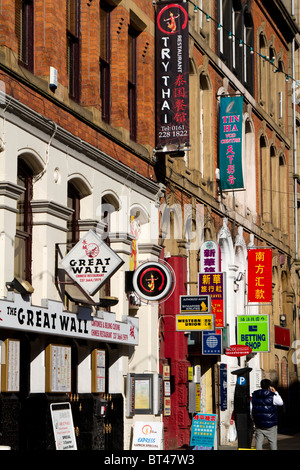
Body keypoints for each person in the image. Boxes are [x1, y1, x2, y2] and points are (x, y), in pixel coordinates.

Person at [251, 379, 283, 450]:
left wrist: (253, 418)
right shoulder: (272, 396)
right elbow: (281, 403)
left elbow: (251, 408)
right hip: (271, 425)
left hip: (259, 424)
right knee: (272, 443)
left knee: (258, 442)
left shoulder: (255, 396)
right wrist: (276, 392)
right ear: (269, 386)